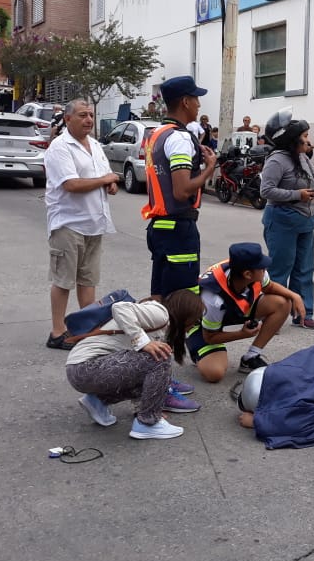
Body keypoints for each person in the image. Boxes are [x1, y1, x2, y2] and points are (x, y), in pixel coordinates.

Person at [65, 290, 205, 440]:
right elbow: (119, 308)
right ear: (185, 315)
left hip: (84, 371)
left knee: (152, 364)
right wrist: (142, 341)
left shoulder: (164, 326)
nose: (195, 326)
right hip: (86, 367)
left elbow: (139, 372)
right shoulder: (161, 313)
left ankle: (98, 401)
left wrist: (146, 406)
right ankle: (148, 424)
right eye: (196, 321)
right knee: (159, 358)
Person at [44, 99, 121, 350]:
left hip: (94, 224)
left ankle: (86, 329)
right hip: (68, 224)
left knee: (88, 280)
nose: (88, 119)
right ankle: (57, 332)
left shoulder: (95, 145)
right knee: (63, 280)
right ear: (67, 119)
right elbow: (71, 185)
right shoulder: (60, 147)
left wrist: (111, 183)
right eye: (82, 115)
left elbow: (105, 176)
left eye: (90, 115)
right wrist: (104, 179)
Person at [142, 76, 218, 301]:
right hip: (178, 228)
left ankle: (157, 335)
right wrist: (209, 169)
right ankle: (177, 337)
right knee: (183, 300)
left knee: (159, 297)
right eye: (196, 99)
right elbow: (182, 190)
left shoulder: (157, 134)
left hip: (159, 227)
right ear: (185, 101)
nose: (199, 105)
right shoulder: (180, 139)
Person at [185, 243, 306, 383]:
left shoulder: (247, 271)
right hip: (203, 322)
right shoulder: (212, 298)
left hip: (231, 309)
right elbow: (210, 337)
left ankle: (251, 357)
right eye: (261, 267)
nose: (265, 269)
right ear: (248, 274)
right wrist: (242, 334)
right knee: (214, 373)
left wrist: (294, 296)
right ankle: (193, 341)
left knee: (282, 302)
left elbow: (270, 286)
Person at [259, 108, 314, 329]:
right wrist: (295, 195)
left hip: (305, 220)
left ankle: (303, 314)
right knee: (280, 271)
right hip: (282, 220)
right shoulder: (277, 160)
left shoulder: (302, 158)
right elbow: (266, 191)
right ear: (293, 139)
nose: (308, 141)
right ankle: (272, 316)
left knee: (304, 269)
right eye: (305, 136)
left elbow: (310, 187)